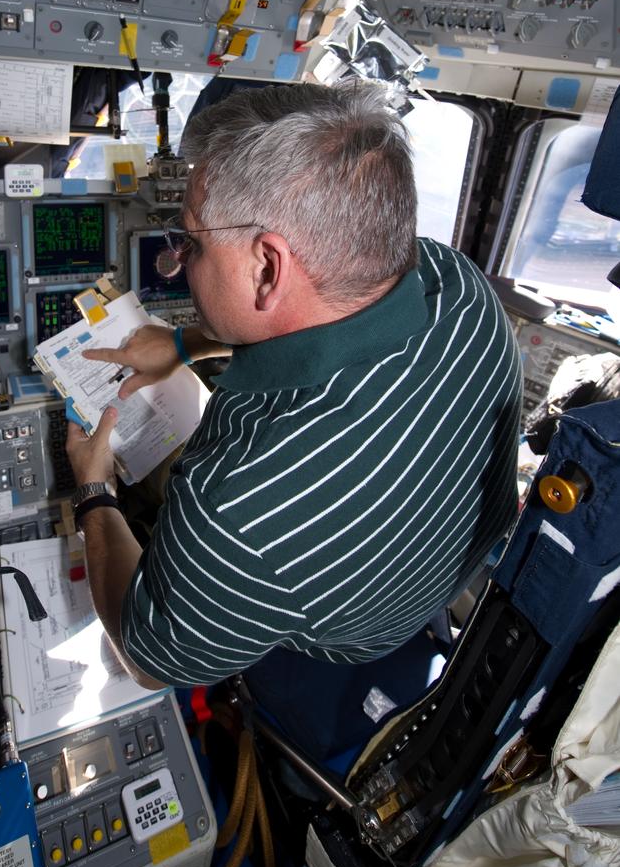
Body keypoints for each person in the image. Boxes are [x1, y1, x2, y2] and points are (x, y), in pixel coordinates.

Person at [66, 81, 523, 754]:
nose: (177, 262)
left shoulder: (237, 512)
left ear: (266, 267)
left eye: (188, 243)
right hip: (444, 561)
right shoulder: (457, 283)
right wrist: (185, 345)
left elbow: (146, 659)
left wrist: (93, 490)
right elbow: (320, 310)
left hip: (353, 637)